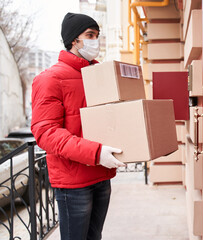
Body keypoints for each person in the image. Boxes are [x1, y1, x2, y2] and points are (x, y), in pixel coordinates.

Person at [31, 12, 125, 240]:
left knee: (95, 237)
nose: (96, 41)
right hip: (74, 183)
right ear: (74, 40)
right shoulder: (50, 79)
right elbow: (45, 132)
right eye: (90, 35)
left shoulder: (98, 74)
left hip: (100, 174)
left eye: (97, 36)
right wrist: (95, 152)